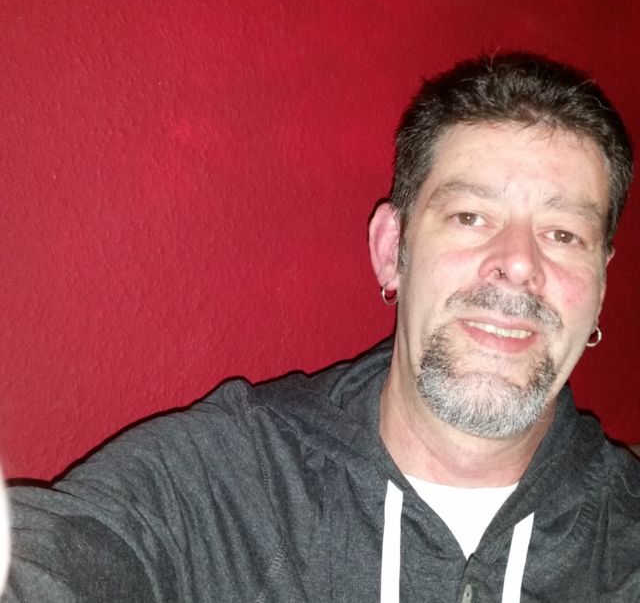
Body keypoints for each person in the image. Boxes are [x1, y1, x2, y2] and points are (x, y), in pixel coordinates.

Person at [5, 53, 640, 602]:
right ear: (392, 250)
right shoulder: (220, 485)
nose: (519, 264)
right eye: (470, 216)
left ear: (600, 288)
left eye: (564, 234)